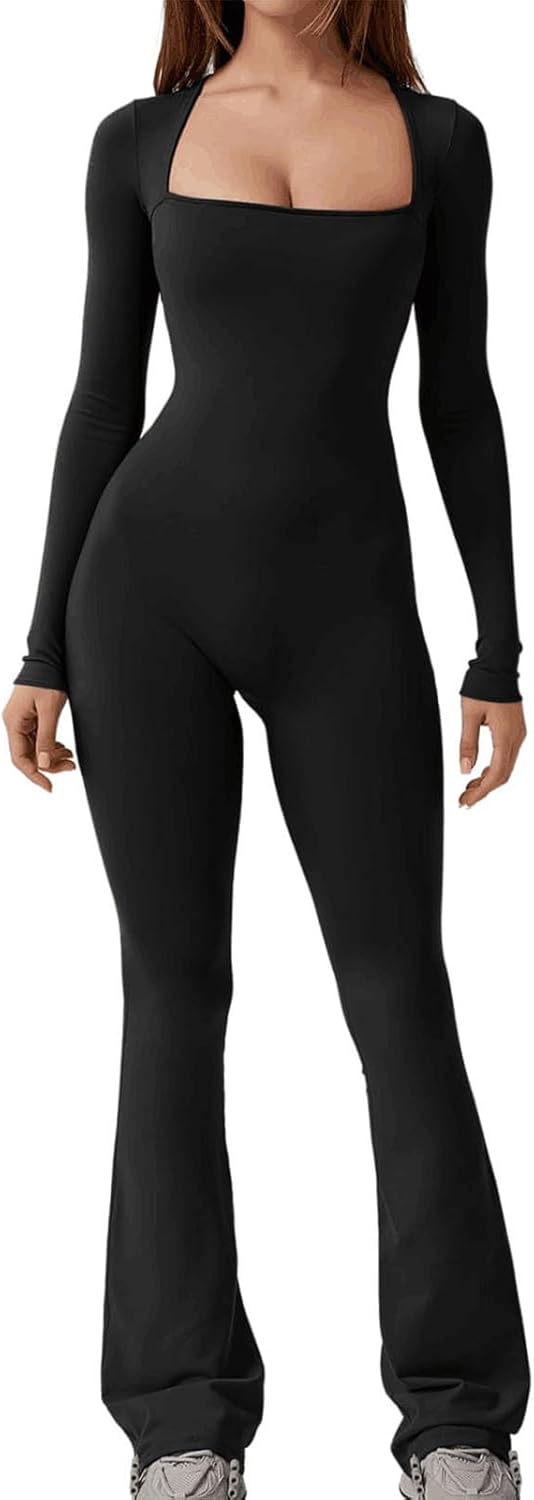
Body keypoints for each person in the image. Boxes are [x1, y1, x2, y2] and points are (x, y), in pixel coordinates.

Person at [3, 0, 530, 1496]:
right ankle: (181, 1429)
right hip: (143, 597)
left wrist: (497, 647)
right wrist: (41, 646)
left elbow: (459, 400)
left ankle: (458, 1423)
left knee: (399, 991)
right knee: (173, 998)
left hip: (350, 614)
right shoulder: (138, 141)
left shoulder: (440, 141)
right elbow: (100, 400)